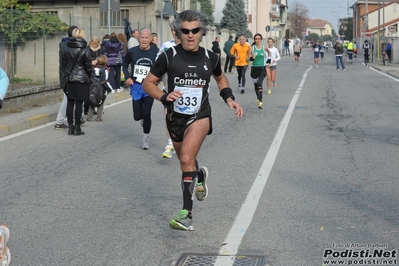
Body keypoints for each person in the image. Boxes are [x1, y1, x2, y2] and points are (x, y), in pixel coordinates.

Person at [143, 10, 243, 231]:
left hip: (200, 115)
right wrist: (163, 96)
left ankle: (186, 214)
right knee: (185, 163)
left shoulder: (211, 57)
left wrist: (229, 98)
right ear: (179, 32)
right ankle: (198, 175)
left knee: (187, 156)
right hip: (174, 117)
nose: (190, 35)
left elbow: (220, 77)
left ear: (202, 32)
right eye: (185, 31)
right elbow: (148, 83)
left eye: (195, 30)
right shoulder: (168, 56)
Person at [123, 28, 159, 150]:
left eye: (146, 38)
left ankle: (145, 139)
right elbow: (124, 64)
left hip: (149, 87)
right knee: (137, 116)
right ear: (139, 39)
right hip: (136, 86)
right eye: (142, 37)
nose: (144, 40)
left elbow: (162, 67)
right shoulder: (132, 51)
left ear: (150, 39)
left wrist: (158, 79)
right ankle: (143, 119)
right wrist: (127, 77)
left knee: (146, 112)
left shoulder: (156, 52)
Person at [156, 20, 181, 159]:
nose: (175, 33)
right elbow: (157, 63)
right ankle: (170, 142)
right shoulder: (166, 46)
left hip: (186, 90)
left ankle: (181, 141)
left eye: (178, 30)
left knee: (183, 118)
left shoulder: (189, 46)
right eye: (173, 30)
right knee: (168, 115)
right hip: (169, 89)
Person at [61, 28, 92, 136]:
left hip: (70, 78)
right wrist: (90, 76)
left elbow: (64, 63)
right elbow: (88, 65)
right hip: (82, 79)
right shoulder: (85, 48)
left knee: (70, 103)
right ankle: (77, 127)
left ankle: (70, 127)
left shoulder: (66, 47)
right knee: (79, 103)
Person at [55, 25, 78, 130]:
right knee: (68, 98)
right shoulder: (69, 46)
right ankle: (60, 121)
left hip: (66, 75)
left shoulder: (64, 44)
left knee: (70, 97)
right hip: (69, 75)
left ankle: (76, 118)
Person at [87, 55, 113, 122]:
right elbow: (106, 81)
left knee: (92, 102)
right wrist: (110, 89)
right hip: (102, 89)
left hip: (92, 87)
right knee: (101, 103)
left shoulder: (92, 69)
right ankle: (99, 117)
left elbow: (90, 78)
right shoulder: (105, 71)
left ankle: (89, 117)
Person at [250, 33, 270, 109]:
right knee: (256, 86)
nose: (257, 40)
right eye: (256, 39)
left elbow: (269, 53)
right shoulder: (251, 48)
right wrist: (252, 58)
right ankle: (258, 98)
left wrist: (269, 61)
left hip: (262, 68)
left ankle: (260, 101)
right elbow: (248, 59)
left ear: (261, 40)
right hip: (254, 69)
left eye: (259, 39)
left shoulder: (264, 48)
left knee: (259, 83)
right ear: (254, 40)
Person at [85, 36, 104, 115]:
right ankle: (87, 108)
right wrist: (91, 62)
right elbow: (84, 60)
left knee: (96, 91)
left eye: (96, 44)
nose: (94, 45)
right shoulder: (87, 49)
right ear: (90, 42)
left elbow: (103, 59)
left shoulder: (101, 50)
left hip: (98, 72)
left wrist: (99, 61)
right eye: (93, 43)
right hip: (89, 72)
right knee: (88, 91)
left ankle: (95, 107)